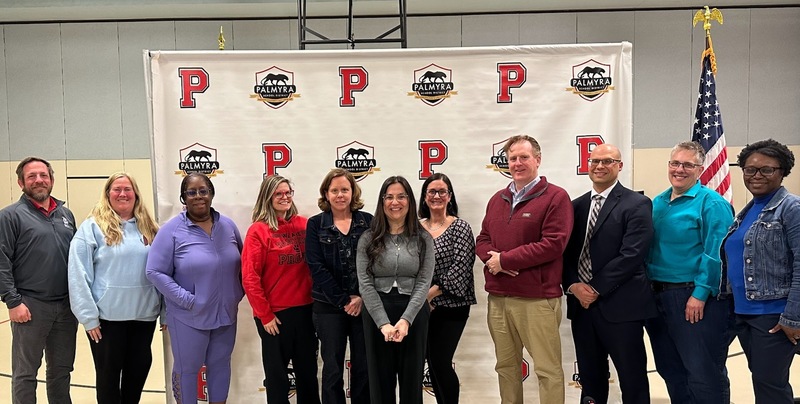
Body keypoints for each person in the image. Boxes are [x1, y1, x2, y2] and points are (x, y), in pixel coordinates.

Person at [475, 135, 573, 404]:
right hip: (499, 299)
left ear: (537, 160)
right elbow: (482, 239)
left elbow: (553, 244)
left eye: (524, 157)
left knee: (547, 370)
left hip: (537, 300)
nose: (517, 163)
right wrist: (493, 261)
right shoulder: (497, 199)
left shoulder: (556, 197)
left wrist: (506, 261)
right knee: (506, 368)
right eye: (512, 158)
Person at [562, 144, 656, 404]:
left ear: (619, 166)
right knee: (590, 379)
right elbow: (565, 254)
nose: (600, 166)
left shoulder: (637, 204)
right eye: (595, 161)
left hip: (622, 308)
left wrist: (594, 288)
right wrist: (573, 285)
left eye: (607, 161)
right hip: (582, 308)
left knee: (632, 379)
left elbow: (632, 254)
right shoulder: (575, 206)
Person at [645, 141, 735, 404]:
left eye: (687, 165)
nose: (679, 169)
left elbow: (716, 253)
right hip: (658, 297)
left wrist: (700, 293)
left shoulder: (712, 203)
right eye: (675, 163)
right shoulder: (658, 202)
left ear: (700, 169)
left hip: (693, 298)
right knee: (670, 370)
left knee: (703, 373)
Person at [146, 173, 244, 404]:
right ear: (183, 197)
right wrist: (188, 300)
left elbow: (243, 263)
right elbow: (154, 271)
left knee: (220, 365)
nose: (198, 196)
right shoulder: (171, 231)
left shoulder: (228, 226)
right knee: (187, 370)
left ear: (211, 194)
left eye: (203, 191)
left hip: (225, 316)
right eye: (191, 192)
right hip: (188, 317)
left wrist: (236, 294)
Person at [68, 172, 161, 404]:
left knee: (136, 376)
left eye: (127, 189)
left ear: (136, 194)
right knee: (108, 381)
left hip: (143, 317)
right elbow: (78, 274)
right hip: (106, 321)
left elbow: (164, 272)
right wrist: (88, 317)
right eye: (117, 189)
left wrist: (166, 311)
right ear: (108, 194)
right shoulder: (92, 228)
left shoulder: (150, 228)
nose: (122, 194)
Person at [722, 139, 799, 403]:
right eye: (750, 169)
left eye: (767, 169)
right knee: (764, 382)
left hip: (774, 316)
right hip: (744, 313)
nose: (756, 175)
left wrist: (792, 317)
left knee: (770, 387)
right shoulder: (748, 211)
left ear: (782, 171)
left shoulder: (791, 208)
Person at [0, 157, 77, 404]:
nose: (39, 180)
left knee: (61, 371)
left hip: (66, 308)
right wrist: (13, 301)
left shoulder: (66, 215)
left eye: (43, 175)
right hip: (30, 306)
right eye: (31, 176)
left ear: (51, 180)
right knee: (25, 374)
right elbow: (1, 261)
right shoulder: (9, 216)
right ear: (21, 182)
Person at [242, 175, 320, 404]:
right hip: (275, 316)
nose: (284, 197)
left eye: (288, 192)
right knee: (277, 379)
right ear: (268, 197)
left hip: (306, 312)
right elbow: (250, 277)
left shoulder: (305, 225)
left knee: (308, 375)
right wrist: (264, 314)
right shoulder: (258, 231)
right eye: (278, 193)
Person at [356, 175, 434, 404]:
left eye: (401, 196)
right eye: (389, 197)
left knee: (411, 383)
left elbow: (424, 281)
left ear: (410, 200)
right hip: (377, 313)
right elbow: (365, 282)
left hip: (413, 312)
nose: (395, 202)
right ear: (382, 202)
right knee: (379, 385)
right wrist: (383, 323)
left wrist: (406, 320)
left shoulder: (423, 238)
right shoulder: (368, 238)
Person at [305, 169, 372, 404]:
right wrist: (344, 301)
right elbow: (316, 266)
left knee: (364, 366)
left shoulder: (368, 221)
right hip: (328, 307)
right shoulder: (315, 224)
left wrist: (361, 297)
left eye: (345, 189)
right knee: (332, 368)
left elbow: (376, 263)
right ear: (326, 193)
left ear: (353, 192)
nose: (340, 195)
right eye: (334, 190)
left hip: (364, 306)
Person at [418, 173, 476, 404]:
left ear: (449, 196)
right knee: (428, 363)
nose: (437, 196)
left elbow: (461, 267)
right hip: (419, 307)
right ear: (424, 197)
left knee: (440, 362)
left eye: (442, 191)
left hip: (451, 307)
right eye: (432, 191)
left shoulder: (460, 227)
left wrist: (429, 295)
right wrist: (420, 299)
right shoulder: (415, 228)